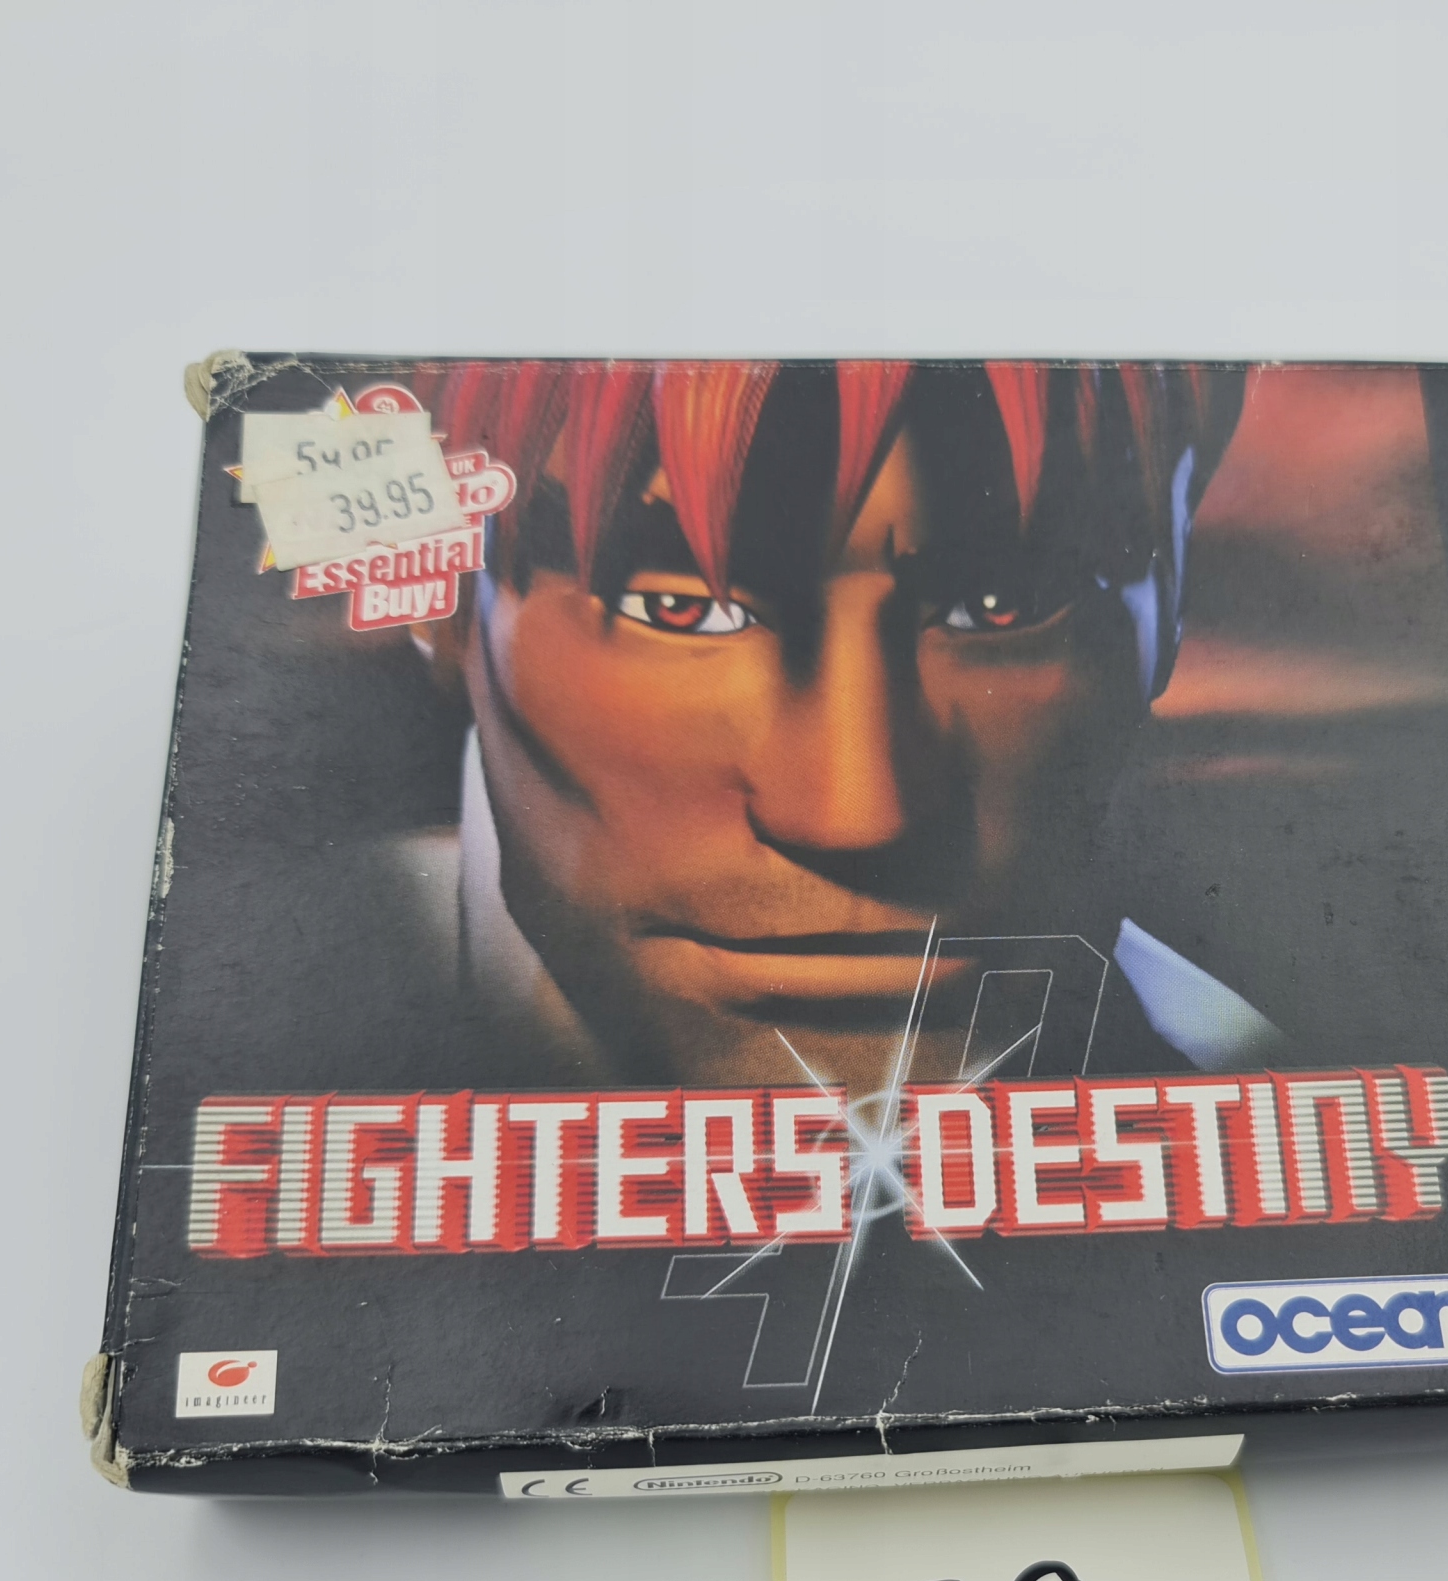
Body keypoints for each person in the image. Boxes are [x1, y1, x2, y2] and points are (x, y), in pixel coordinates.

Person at [406, 359, 1286, 1096]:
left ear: (1175, 607)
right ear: (440, 609)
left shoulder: (1276, 1092)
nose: (857, 816)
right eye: (683, 609)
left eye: (1001, 605)